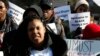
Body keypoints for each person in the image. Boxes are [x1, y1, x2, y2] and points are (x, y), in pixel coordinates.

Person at [3, 15, 67, 56]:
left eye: (38, 28)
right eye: (31, 29)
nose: (35, 32)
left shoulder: (59, 49)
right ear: (27, 33)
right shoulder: (19, 52)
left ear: (44, 29)